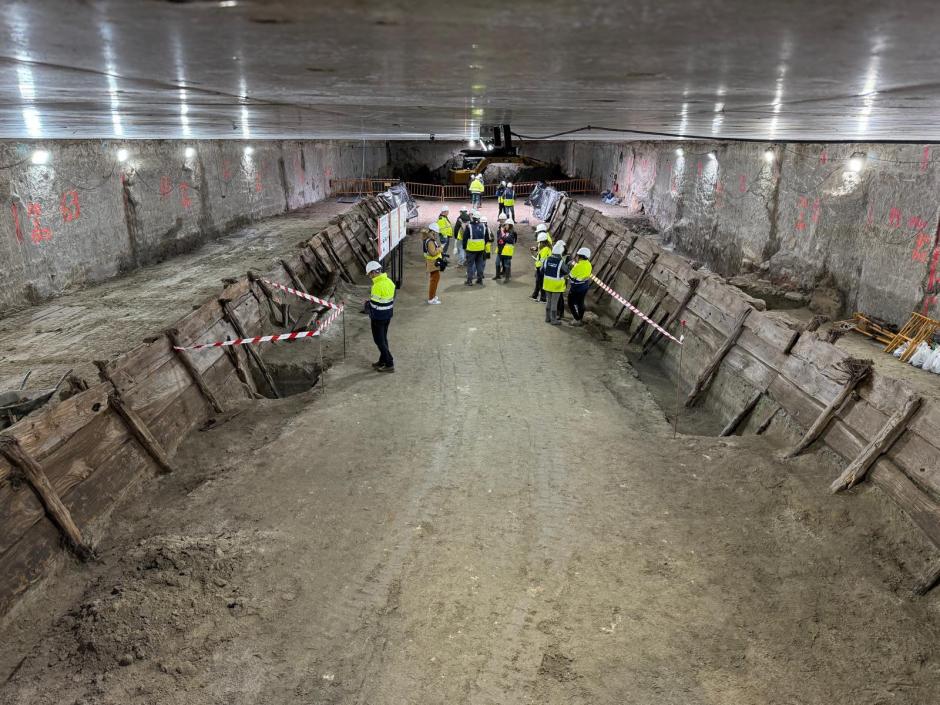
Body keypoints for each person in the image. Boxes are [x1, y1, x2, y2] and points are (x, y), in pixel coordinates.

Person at [365, 260, 396, 372]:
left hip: (378, 318)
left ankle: (389, 362)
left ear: (373, 272)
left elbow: (375, 305)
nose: (369, 277)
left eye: (369, 274)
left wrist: (367, 304)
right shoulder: (390, 282)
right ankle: (382, 360)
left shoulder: (377, 286)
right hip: (388, 315)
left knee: (379, 341)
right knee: (383, 339)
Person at [541, 243, 570, 325]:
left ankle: (547, 318)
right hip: (556, 286)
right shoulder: (560, 262)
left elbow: (542, 270)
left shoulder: (547, 259)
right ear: (560, 252)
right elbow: (566, 271)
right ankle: (554, 320)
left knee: (548, 301)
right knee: (554, 303)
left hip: (547, 284)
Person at [567, 247, 592, 325]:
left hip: (576, 288)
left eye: (578, 255)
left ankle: (576, 319)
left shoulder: (578, 266)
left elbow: (570, 276)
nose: (577, 257)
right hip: (585, 286)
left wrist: (570, 267)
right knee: (580, 302)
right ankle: (580, 318)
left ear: (581, 256)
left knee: (571, 302)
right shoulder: (589, 264)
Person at [463, 210, 488, 286]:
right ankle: (480, 280)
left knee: (470, 265)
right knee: (479, 264)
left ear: (473, 218)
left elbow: (465, 238)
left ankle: (469, 281)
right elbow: (486, 238)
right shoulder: (483, 226)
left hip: (471, 249)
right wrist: (482, 244)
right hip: (481, 249)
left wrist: (465, 247)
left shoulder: (469, 226)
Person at [424, 223, 444, 305]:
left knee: (435, 279)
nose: (436, 234)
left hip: (432, 262)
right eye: (435, 232)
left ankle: (433, 296)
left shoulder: (429, 239)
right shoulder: (430, 241)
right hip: (432, 263)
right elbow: (433, 253)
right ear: (432, 231)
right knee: (434, 280)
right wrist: (440, 249)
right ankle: (431, 298)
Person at [493, 217, 516, 281]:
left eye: (506, 224)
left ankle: (507, 278)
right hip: (500, 249)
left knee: (507, 264)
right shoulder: (503, 231)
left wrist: (503, 236)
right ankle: (497, 275)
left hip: (507, 251)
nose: (505, 225)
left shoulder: (512, 232)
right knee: (497, 262)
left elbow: (509, 240)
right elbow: (498, 239)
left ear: (510, 225)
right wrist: (501, 233)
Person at [530, 232, 551, 301]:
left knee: (541, 283)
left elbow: (542, 260)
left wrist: (537, 264)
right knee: (539, 283)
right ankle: (537, 296)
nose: (539, 244)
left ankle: (543, 298)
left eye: (540, 242)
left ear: (543, 242)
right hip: (542, 268)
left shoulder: (545, 249)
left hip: (541, 268)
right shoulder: (546, 248)